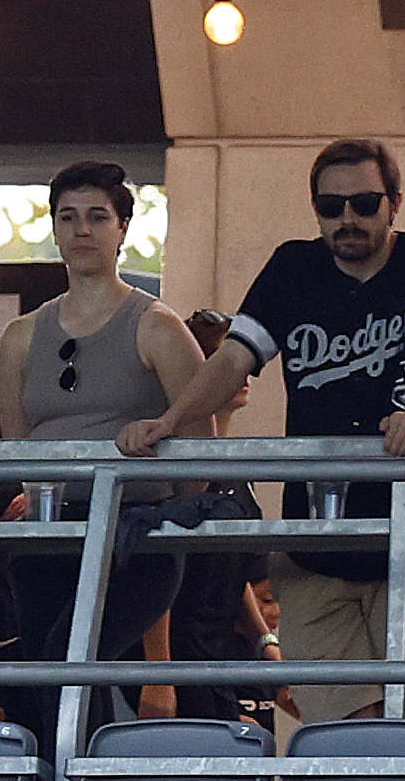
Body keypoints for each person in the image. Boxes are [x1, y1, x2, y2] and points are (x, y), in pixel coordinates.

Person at [120, 137, 405, 721]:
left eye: (365, 204)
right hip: (313, 541)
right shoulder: (293, 266)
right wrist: (171, 419)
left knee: (402, 726)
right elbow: (234, 358)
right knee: (345, 727)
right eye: (330, 207)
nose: (348, 220)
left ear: (395, 203)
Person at [0, 162, 204, 743]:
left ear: (122, 229)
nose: (82, 230)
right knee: (45, 684)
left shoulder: (158, 325)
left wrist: (156, 463)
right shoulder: (20, 336)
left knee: (68, 658)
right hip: (48, 532)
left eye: (97, 217)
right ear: (55, 230)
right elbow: (18, 450)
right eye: (69, 217)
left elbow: (204, 449)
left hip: (133, 532)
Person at [161, 309, 275, 728]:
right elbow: (157, 571)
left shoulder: (234, 468)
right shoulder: (176, 466)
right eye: (220, 362)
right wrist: (158, 678)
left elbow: (236, 569)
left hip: (225, 652)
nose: (241, 373)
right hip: (182, 656)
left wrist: (264, 639)